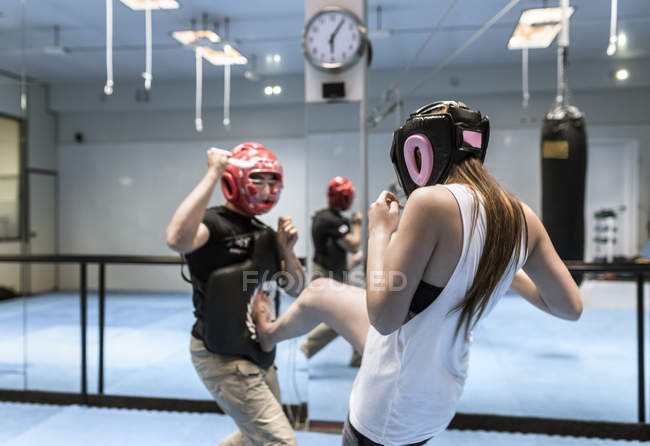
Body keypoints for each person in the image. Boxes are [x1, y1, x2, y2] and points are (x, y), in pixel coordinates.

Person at [252, 101, 583, 446]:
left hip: (389, 399)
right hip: (439, 388)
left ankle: (268, 335)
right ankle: (270, 335)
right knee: (320, 291)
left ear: (420, 150)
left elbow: (382, 316)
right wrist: (501, 266)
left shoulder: (431, 202)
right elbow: (569, 307)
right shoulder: (520, 215)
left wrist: (379, 231)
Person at [166, 142, 305, 446]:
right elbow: (177, 239)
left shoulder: (264, 232)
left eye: (272, 181)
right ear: (236, 181)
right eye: (258, 179)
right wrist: (214, 171)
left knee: (254, 437)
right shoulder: (214, 225)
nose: (267, 189)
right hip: (222, 354)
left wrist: (286, 250)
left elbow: (296, 288)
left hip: (258, 349)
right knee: (280, 442)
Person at [301, 176, 364, 366]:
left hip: (334, 274)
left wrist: (351, 263)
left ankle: (359, 355)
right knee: (340, 318)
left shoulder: (327, 218)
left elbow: (334, 249)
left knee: (357, 310)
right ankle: (306, 349)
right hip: (327, 276)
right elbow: (353, 245)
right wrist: (357, 225)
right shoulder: (331, 220)